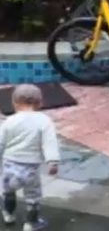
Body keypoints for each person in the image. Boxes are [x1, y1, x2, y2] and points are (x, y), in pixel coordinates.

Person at [0, 85, 60, 231]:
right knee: (32, 196)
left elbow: (1, 141)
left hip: (9, 166)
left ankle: (9, 214)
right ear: (40, 103)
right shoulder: (44, 121)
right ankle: (30, 223)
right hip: (30, 168)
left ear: (14, 103)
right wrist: (53, 162)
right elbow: (49, 142)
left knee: (8, 191)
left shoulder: (9, 121)